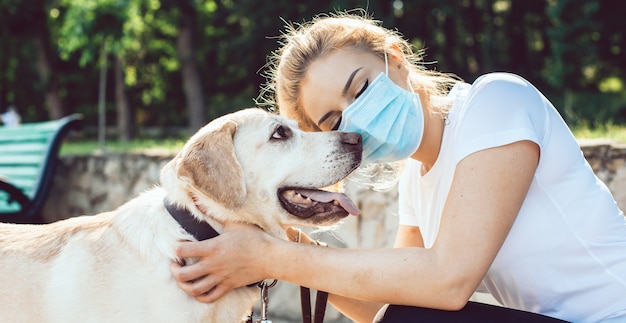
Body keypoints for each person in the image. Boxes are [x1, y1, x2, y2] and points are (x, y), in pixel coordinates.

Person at [170, 12, 626, 322]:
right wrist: (281, 249)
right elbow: (385, 308)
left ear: (395, 57)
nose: (355, 117)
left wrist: (275, 257)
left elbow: (447, 280)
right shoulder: (417, 181)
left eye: (361, 86)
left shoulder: (498, 102)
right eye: (335, 120)